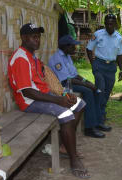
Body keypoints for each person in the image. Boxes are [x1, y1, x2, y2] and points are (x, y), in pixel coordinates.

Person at [8, 23, 90, 178]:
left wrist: (64, 95)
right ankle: (74, 161)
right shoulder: (21, 58)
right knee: (65, 113)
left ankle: (64, 147)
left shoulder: (32, 56)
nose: (37, 40)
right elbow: (28, 91)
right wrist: (58, 101)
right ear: (24, 38)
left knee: (79, 103)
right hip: (29, 102)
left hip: (43, 96)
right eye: (33, 37)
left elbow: (47, 84)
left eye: (38, 37)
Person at [48, 35, 112, 138]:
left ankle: (98, 122)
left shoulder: (67, 56)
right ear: (66, 46)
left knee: (95, 90)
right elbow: (66, 79)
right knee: (88, 91)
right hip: (63, 86)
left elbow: (75, 75)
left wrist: (87, 81)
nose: (75, 48)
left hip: (71, 82)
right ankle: (89, 128)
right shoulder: (57, 59)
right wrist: (87, 85)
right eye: (73, 46)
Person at [86, 14, 122, 122]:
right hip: (99, 65)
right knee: (101, 88)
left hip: (111, 67)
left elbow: (120, 55)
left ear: (115, 24)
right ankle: (100, 114)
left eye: (112, 24)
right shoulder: (97, 35)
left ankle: (100, 110)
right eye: (107, 23)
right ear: (105, 24)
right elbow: (89, 49)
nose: (109, 26)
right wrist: (93, 63)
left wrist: (121, 70)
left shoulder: (119, 38)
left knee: (107, 92)